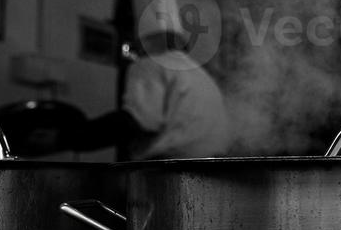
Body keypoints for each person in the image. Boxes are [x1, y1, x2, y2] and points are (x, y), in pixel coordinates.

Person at [72, 29, 232, 160]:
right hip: (215, 167)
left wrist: (66, 138)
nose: (136, 47)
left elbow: (138, 121)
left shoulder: (150, 64)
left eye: (140, 42)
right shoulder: (199, 72)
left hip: (172, 169)